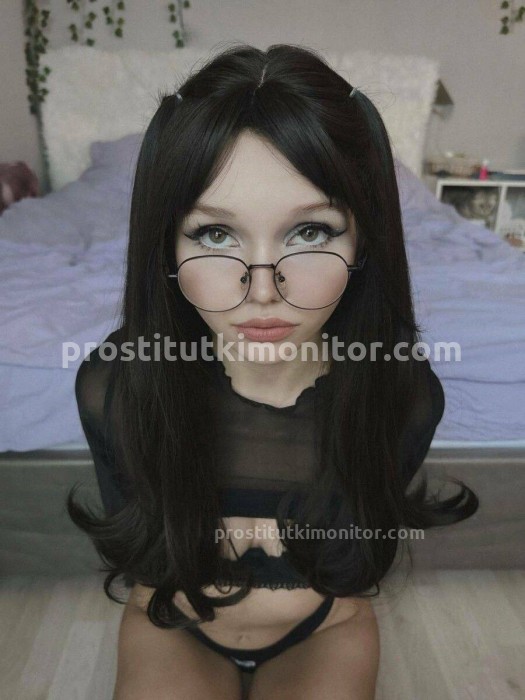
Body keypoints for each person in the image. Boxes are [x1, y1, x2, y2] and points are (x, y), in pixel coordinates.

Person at [68, 43, 479, 699]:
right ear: (166, 246)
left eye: (310, 232)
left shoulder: (401, 394)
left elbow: (359, 556)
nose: (262, 290)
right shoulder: (116, 386)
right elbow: (141, 552)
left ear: (362, 241)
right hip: (173, 624)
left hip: (325, 628)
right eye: (214, 234)